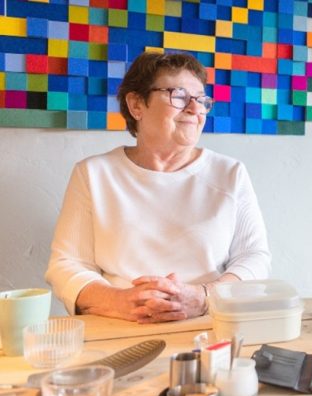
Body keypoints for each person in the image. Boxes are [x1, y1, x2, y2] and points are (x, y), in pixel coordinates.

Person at [46, 52, 271, 323]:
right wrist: (121, 301)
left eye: (201, 99)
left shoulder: (229, 173)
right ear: (136, 105)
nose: (195, 108)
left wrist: (204, 297)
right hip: (119, 324)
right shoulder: (93, 174)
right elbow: (66, 265)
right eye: (179, 95)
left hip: (210, 325)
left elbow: (254, 258)